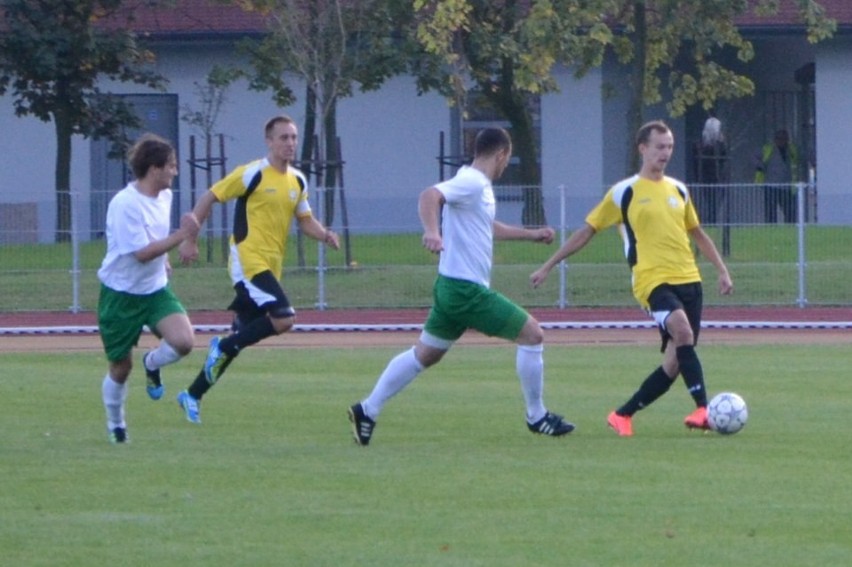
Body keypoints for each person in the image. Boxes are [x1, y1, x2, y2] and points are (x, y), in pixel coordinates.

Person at [347, 127, 574, 446]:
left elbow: (487, 226)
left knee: (424, 355)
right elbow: (429, 195)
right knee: (533, 334)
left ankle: (366, 409)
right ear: (502, 155)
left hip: (451, 287)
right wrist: (432, 231)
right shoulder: (472, 182)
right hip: (466, 291)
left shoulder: (474, 187)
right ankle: (537, 416)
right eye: (506, 160)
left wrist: (531, 234)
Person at [530, 120, 734, 437]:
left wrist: (721, 269)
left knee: (674, 364)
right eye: (659, 147)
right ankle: (703, 409)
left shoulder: (678, 189)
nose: (665, 153)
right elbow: (586, 233)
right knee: (682, 330)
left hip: (690, 279)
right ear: (643, 148)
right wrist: (548, 265)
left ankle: (622, 414)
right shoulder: (623, 192)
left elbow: (697, 233)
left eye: (669, 147)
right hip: (652, 281)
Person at [175, 115, 340, 424]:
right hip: (248, 261)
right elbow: (209, 196)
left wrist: (325, 234)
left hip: (271, 266)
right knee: (285, 317)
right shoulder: (252, 173)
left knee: (240, 338)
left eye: (293, 137)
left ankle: (192, 394)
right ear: (269, 141)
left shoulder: (298, 180)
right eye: (283, 138)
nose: (290, 143)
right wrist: (190, 239)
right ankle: (222, 346)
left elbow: (305, 220)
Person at [97, 133, 200, 443]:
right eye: (171, 166)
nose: (175, 171)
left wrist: (166, 256)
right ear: (154, 169)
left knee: (184, 342)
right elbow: (141, 253)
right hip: (121, 294)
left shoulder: (164, 197)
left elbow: (155, 238)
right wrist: (183, 235)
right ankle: (116, 424)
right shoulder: (125, 204)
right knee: (120, 367)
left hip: (154, 290)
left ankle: (152, 363)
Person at [755, 129, 799, 224]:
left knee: (790, 213)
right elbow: (754, 158)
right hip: (771, 186)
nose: (782, 141)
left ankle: (790, 231)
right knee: (770, 212)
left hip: (787, 186)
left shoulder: (792, 149)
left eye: (784, 138)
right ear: (775, 139)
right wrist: (760, 166)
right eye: (779, 138)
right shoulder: (768, 149)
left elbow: (799, 160)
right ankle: (771, 231)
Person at [692, 115, 728, 224]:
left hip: (711, 177)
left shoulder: (701, 145)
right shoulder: (705, 145)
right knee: (710, 203)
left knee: (712, 203)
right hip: (710, 177)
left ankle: (711, 221)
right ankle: (710, 221)